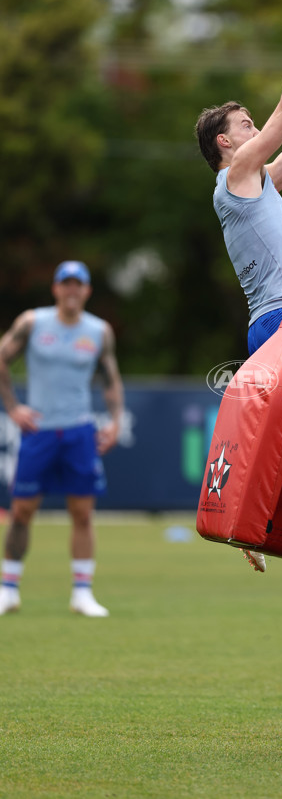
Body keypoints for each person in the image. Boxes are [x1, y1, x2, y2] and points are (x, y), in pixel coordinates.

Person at [196, 6, 282, 572]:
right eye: (246, 125)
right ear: (225, 144)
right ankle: (249, 519)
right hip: (279, 321)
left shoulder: (263, 182)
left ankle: (273, 519)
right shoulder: (232, 179)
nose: (257, 127)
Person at [0, 261, 124, 617]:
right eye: (65, 284)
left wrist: (115, 421)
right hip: (38, 430)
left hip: (79, 431)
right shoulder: (32, 322)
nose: (72, 290)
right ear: (55, 288)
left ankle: (82, 593)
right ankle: (8, 589)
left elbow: (111, 378)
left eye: (78, 284)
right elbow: (2, 357)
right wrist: (12, 406)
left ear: (86, 290)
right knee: (22, 510)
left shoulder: (98, 331)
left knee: (82, 513)